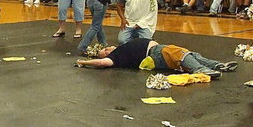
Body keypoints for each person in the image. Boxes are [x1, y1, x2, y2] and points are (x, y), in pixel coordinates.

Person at [76, 38, 236, 79]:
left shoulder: (119, 49)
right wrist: (83, 62)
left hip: (158, 50)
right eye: (105, 51)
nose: (108, 48)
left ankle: (217, 65)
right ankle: (201, 70)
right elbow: (101, 63)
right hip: (155, 54)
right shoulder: (115, 57)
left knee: (192, 54)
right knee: (180, 55)